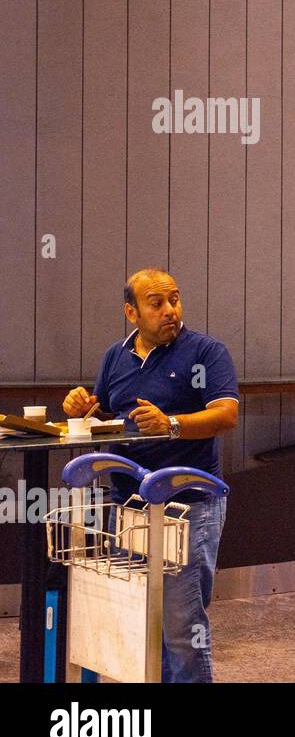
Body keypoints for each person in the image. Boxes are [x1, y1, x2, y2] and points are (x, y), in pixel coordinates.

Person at [62, 268, 240, 681]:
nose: (170, 310)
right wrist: (81, 406)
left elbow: (226, 414)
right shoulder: (115, 357)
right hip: (128, 505)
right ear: (131, 312)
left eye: (174, 300)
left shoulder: (206, 352)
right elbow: (107, 412)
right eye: (156, 303)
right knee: (142, 617)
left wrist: (171, 424)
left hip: (188, 503)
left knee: (181, 626)